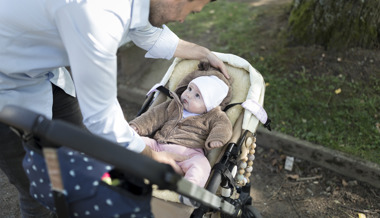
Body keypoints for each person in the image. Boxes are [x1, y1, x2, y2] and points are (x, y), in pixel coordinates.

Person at [0, 0, 230, 217]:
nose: (183, 20)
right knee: (36, 186)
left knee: (82, 160)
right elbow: (101, 116)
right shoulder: (99, 16)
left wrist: (204, 53)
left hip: (41, 74)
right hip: (6, 88)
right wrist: (150, 156)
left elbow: (147, 32)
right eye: (191, 11)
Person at [129, 62, 233, 207]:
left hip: (189, 153)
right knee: (133, 141)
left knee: (201, 165)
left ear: (209, 105)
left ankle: (189, 191)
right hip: (158, 146)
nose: (189, 95)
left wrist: (217, 138)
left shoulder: (214, 115)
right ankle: (123, 165)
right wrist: (136, 126)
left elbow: (224, 127)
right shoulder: (173, 105)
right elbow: (153, 116)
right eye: (190, 89)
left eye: (197, 95)